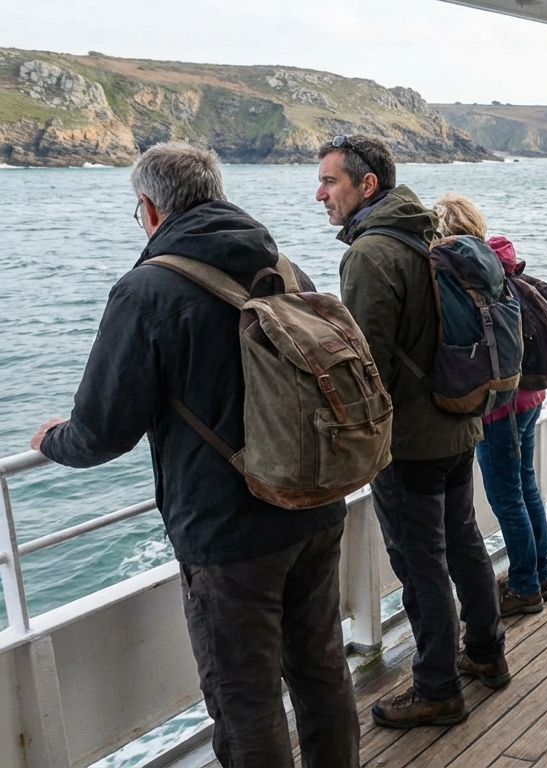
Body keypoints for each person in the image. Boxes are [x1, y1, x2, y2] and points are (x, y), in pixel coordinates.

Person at [30, 142, 359, 766]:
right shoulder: (284, 267)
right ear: (216, 193)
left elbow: (103, 430)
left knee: (245, 700)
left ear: (151, 210)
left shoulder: (146, 291)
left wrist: (53, 441)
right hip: (315, 502)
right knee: (320, 672)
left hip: (227, 531)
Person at [317, 135, 508, 729]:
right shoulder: (429, 230)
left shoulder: (370, 254)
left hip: (412, 441)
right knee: (465, 541)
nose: (319, 193)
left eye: (330, 182)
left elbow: (364, 362)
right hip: (458, 421)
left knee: (420, 563)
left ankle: (438, 687)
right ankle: (486, 652)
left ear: (366, 185)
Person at [431, 193, 547, 617]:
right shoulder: (498, 258)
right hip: (530, 394)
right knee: (526, 485)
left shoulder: (459, 273)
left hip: (498, 404)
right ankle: (540, 574)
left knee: (506, 498)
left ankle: (524, 587)